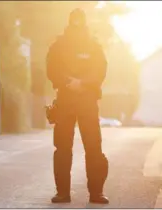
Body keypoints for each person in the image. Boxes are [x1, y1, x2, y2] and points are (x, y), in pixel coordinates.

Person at [46, 8, 109, 204]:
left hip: (87, 100)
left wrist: (82, 83)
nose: (77, 23)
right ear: (69, 21)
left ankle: (96, 193)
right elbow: (51, 68)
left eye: (80, 20)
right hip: (65, 100)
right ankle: (63, 193)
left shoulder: (94, 46)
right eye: (74, 20)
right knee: (62, 147)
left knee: (93, 147)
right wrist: (68, 82)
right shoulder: (59, 45)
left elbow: (101, 70)